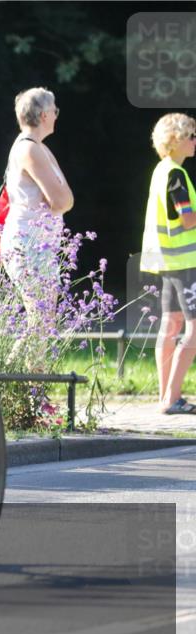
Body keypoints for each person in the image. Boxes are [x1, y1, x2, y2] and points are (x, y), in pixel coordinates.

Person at [0, 87, 74, 330]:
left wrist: (65, 197)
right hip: (28, 244)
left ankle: (29, 359)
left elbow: (64, 198)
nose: (56, 115)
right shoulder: (30, 149)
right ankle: (15, 359)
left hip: (38, 244)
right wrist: (65, 198)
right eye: (55, 110)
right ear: (44, 115)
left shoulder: (38, 147)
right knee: (40, 323)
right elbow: (62, 201)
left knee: (42, 323)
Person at [140, 113, 196, 415]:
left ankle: (165, 396)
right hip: (185, 263)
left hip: (167, 261)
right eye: (191, 136)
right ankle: (173, 398)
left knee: (170, 324)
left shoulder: (161, 170)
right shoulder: (176, 174)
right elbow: (187, 219)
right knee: (193, 329)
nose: (195, 141)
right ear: (176, 140)